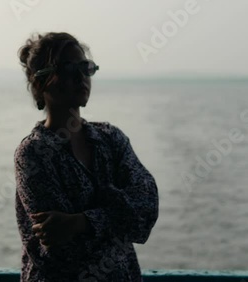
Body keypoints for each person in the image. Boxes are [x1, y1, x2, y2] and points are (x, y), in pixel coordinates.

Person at [14, 31, 159, 282]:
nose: (81, 77)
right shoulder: (33, 154)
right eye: (68, 68)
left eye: (86, 67)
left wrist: (81, 222)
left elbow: (146, 212)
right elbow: (61, 248)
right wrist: (117, 207)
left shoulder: (111, 140)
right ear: (40, 83)